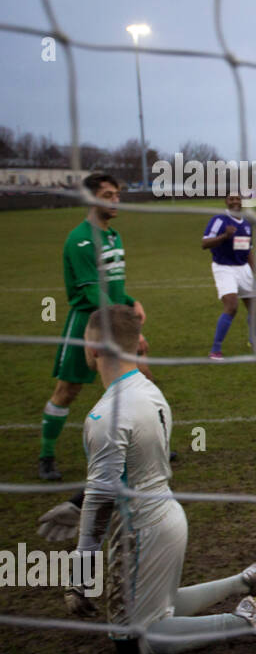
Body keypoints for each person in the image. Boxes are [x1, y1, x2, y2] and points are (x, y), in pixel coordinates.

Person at [59, 304, 256, 654]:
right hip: (168, 514)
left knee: (133, 641)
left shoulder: (103, 415)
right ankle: (241, 582)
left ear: (92, 350)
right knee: (162, 606)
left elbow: (100, 502)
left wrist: (79, 575)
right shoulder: (150, 391)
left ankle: (244, 619)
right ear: (139, 344)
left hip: (141, 528)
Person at [39, 173, 151, 482]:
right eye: (107, 194)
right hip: (87, 324)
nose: (116, 199)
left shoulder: (114, 236)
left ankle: (144, 446)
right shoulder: (80, 239)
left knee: (138, 380)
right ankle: (46, 455)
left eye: (117, 194)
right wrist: (130, 327)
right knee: (67, 390)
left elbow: (113, 286)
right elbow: (91, 292)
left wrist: (132, 301)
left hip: (115, 317)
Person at [202, 193, 256, 360]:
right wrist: (224, 236)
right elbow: (205, 243)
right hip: (223, 268)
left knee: (255, 309)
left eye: (237, 199)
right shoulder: (219, 220)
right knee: (231, 306)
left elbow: (247, 252)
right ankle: (215, 350)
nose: (235, 201)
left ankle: (254, 341)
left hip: (243, 269)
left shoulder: (246, 225)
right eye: (231, 199)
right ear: (226, 201)